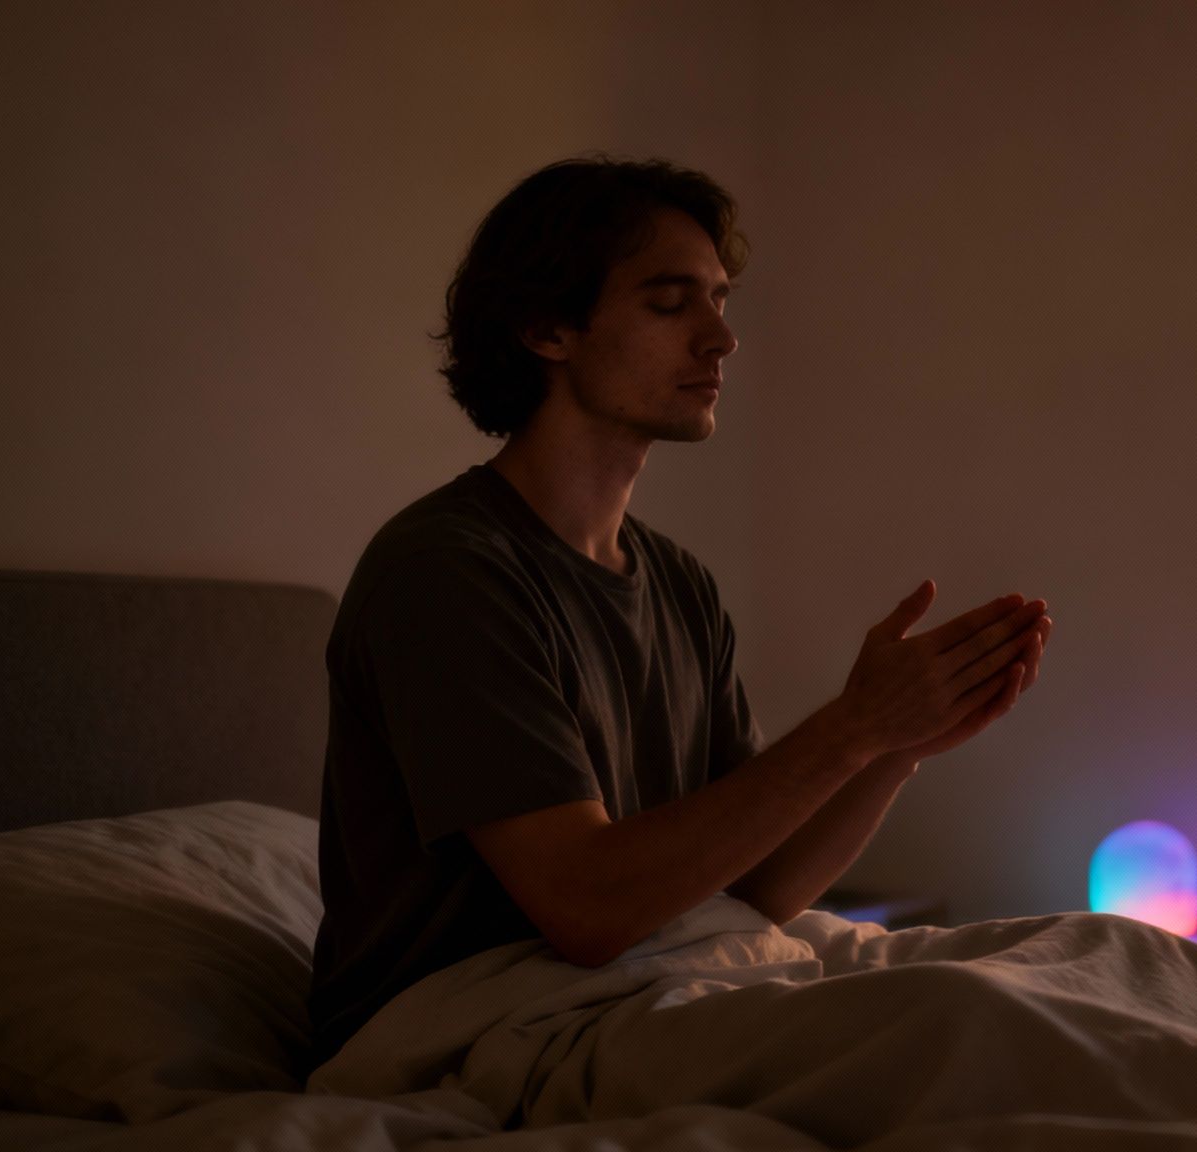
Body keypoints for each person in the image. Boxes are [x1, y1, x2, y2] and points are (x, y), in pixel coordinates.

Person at [306, 156, 1051, 1070]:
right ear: (547, 327)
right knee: (970, 1036)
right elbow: (586, 909)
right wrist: (850, 726)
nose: (722, 339)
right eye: (670, 302)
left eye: (721, 300)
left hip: (652, 975)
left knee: (1085, 971)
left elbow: (756, 886)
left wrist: (893, 748)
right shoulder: (446, 572)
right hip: (477, 1021)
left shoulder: (678, 584)